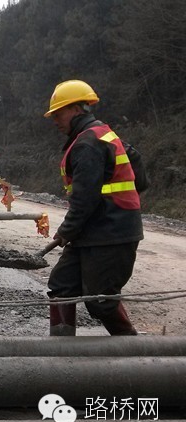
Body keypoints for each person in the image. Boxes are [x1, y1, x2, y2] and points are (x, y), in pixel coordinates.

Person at [44, 80, 142, 336]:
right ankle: (62, 353)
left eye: (58, 113)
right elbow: (140, 177)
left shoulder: (88, 144)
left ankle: (138, 357)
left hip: (110, 234)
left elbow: (84, 199)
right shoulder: (102, 136)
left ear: (77, 109)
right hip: (94, 231)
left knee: (101, 301)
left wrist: (66, 230)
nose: (54, 120)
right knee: (61, 284)